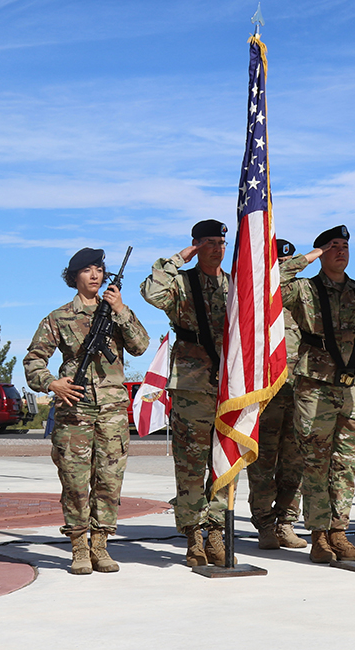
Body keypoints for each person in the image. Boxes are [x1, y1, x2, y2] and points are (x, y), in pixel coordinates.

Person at [24, 248, 149, 574]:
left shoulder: (117, 311)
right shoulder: (59, 317)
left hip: (112, 412)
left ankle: (101, 546)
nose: (94, 275)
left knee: (109, 482)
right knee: (75, 483)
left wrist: (120, 309)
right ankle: (79, 548)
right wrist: (52, 383)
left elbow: (140, 346)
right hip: (75, 411)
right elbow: (33, 361)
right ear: (74, 276)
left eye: (98, 269)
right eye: (86, 270)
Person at [279, 225, 355, 563]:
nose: (341, 251)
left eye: (345, 246)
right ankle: (319, 536)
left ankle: (340, 532)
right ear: (321, 252)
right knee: (316, 463)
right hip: (315, 387)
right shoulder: (303, 290)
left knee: (346, 465)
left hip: (352, 389)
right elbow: (267, 284)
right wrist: (305, 259)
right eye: (333, 246)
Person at [140, 220, 234, 568]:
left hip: (229, 387)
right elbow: (151, 292)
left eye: (221, 242)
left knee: (224, 462)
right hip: (192, 385)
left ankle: (216, 530)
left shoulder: (234, 285)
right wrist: (177, 259)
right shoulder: (181, 283)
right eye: (208, 242)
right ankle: (194, 534)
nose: (217, 248)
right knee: (192, 464)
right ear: (195, 245)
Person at [247, 238, 307, 551]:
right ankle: (264, 524)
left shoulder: (303, 295)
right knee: (262, 464)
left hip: (299, 391)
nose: (287, 267)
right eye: (280, 262)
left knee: (294, 463)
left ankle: (286, 522)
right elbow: (275, 278)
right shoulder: (258, 294)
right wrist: (308, 257)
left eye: (290, 261)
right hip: (266, 393)